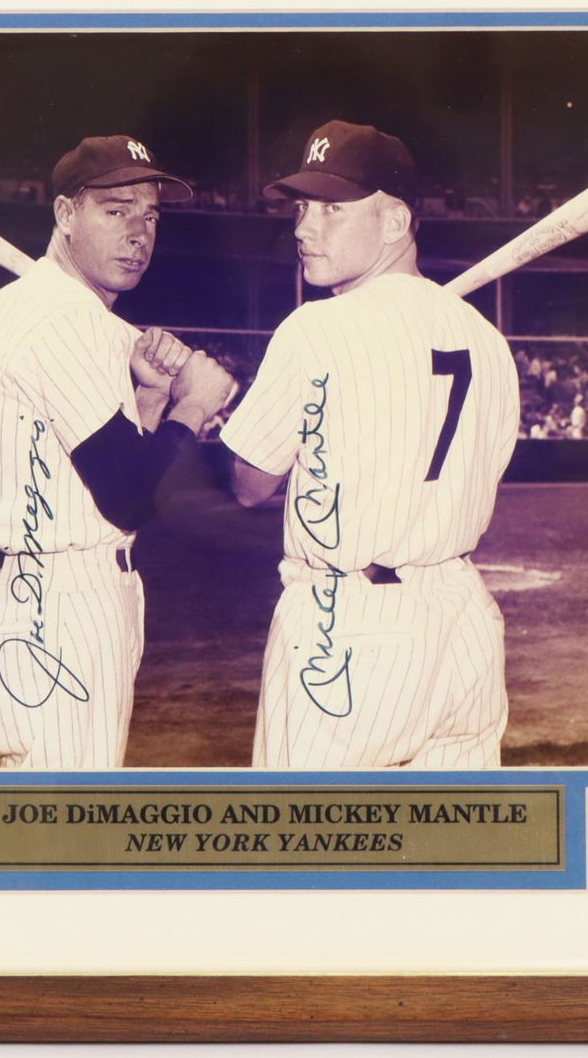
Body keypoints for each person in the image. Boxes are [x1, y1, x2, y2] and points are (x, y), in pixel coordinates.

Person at [0, 134, 236, 768]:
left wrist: (148, 402)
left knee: (34, 839)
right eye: (115, 210)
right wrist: (193, 404)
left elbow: (97, 473)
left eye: (150, 216)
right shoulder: (55, 317)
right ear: (66, 215)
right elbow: (128, 496)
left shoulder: (59, 313)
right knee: (65, 839)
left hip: (39, 599)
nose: (139, 233)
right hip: (51, 612)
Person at [220, 120, 519, 769]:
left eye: (332, 208)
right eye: (302, 208)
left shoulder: (315, 329)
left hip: (344, 630)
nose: (304, 227)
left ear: (394, 222)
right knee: (450, 862)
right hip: (462, 622)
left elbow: (248, 484)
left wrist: (210, 399)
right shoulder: (488, 341)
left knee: (308, 858)